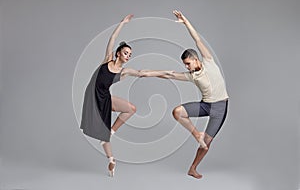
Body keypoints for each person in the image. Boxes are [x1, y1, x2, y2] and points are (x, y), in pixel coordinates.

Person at [80, 14, 172, 177]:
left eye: (130, 54)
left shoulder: (124, 72)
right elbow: (113, 37)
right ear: (118, 54)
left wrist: (162, 73)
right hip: (93, 97)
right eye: (126, 52)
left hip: (105, 97)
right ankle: (109, 142)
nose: (128, 55)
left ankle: (111, 160)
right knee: (103, 131)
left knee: (130, 110)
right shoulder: (107, 60)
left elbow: (141, 73)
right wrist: (123, 23)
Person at [141, 10, 229, 179]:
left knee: (205, 145)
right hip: (205, 105)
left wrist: (185, 22)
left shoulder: (209, 61)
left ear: (196, 59)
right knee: (177, 112)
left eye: (188, 63)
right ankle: (197, 134)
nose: (187, 67)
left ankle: (193, 168)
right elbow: (169, 75)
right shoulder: (191, 76)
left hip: (220, 107)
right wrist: (146, 73)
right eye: (185, 65)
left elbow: (197, 39)